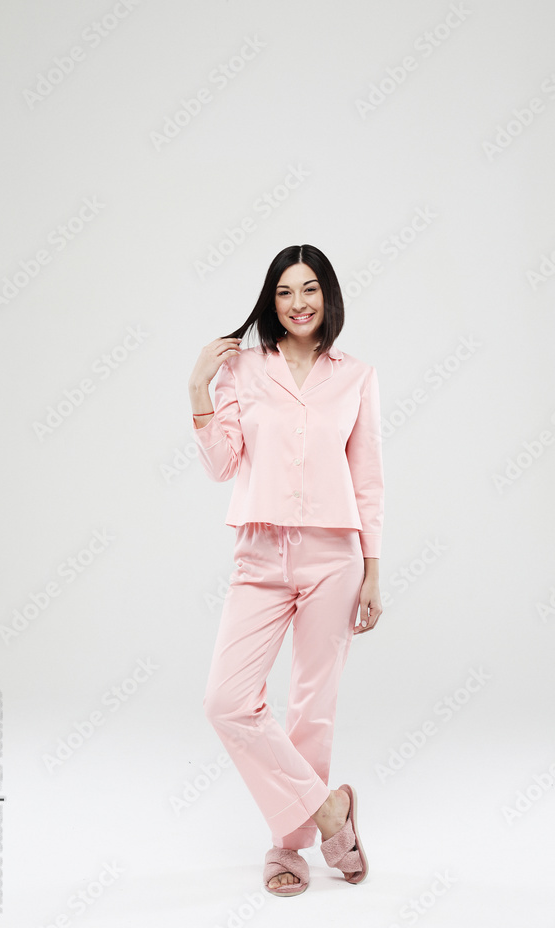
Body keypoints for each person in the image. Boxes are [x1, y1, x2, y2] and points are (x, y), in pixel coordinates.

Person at [188, 244, 384, 896]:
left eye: (309, 289)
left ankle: (289, 845)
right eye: (284, 292)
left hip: (334, 556)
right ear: (270, 301)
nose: (298, 303)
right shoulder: (243, 370)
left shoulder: (354, 375)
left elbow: (368, 481)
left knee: (310, 706)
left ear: (327, 296)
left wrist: (373, 572)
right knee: (227, 701)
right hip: (260, 551)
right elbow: (221, 465)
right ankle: (329, 811)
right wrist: (197, 389)